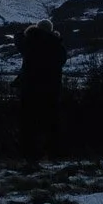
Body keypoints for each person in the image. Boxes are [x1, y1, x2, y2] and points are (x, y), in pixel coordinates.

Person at [14, 20, 68, 163]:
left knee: (29, 125)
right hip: (52, 91)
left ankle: (31, 157)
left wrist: (28, 31)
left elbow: (18, 38)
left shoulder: (30, 43)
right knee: (52, 124)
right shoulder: (58, 47)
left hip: (30, 90)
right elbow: (62, 60)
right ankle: (54, 155)